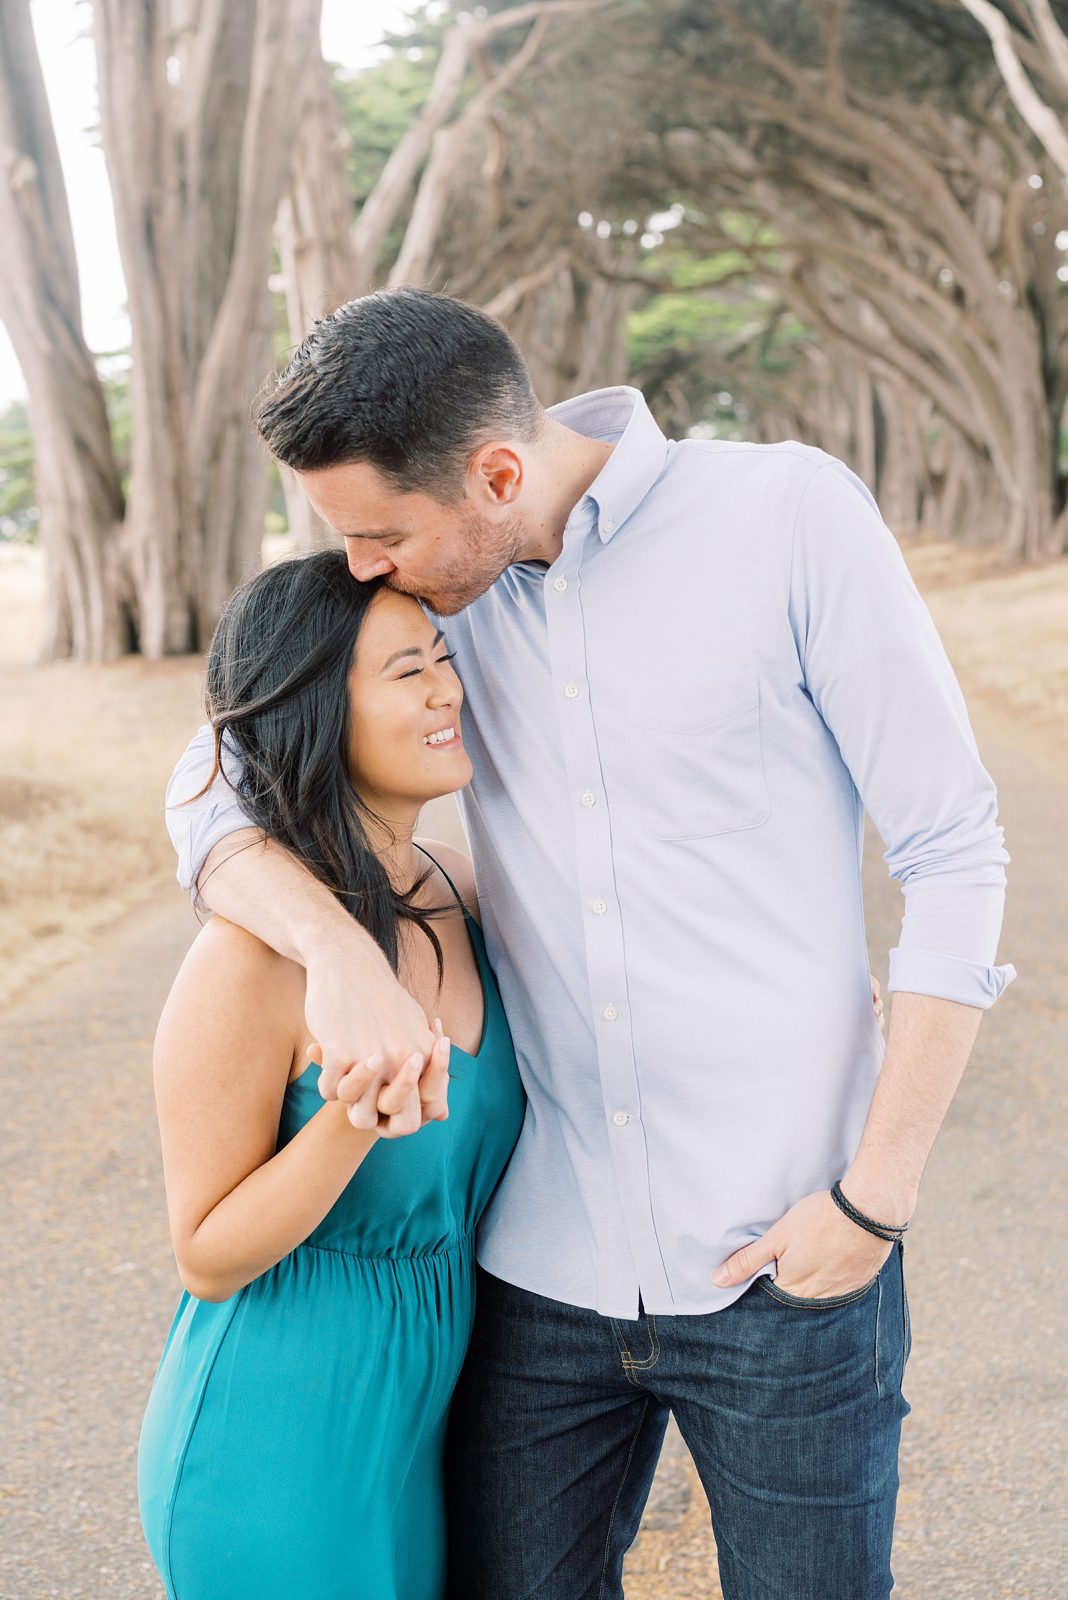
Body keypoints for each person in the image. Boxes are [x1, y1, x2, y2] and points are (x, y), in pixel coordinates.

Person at [164, 288, 1016, 1600]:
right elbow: (223, 772)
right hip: (538, 1286)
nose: (368, 570)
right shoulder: (442, 596)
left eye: (381, 534)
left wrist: (876, 1199)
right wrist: (334, 952)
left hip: (786, 1261)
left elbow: (953, 849)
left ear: (497, 473)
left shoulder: (785, 519)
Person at [138, 550, 526, 1600]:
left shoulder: (459, 892)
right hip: (274, 1445)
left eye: (444, 657)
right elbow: (206, 1254)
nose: (449, 688)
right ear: (316, 708)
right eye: (408, 672)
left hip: (428, 1432)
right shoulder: (250, 959)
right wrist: (353, 1116)